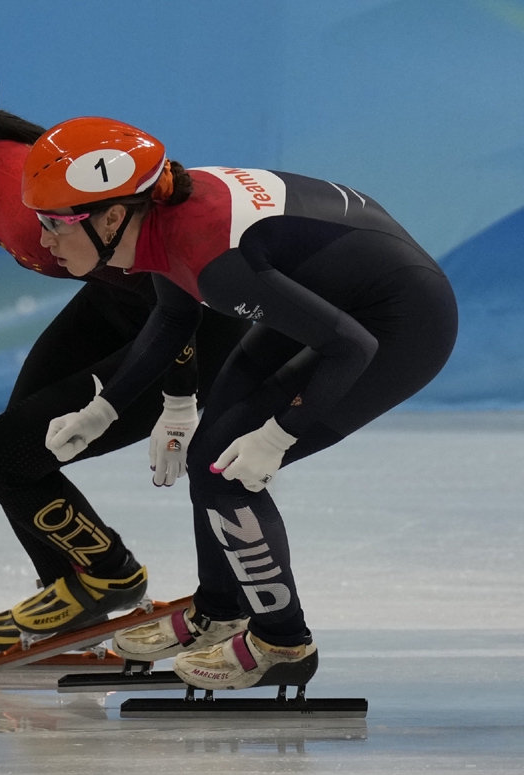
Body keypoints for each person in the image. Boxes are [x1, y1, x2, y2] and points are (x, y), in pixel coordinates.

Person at [24, 116, 457, 689]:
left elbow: (351, 347)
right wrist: (103, 410)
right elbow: (173, 315)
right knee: (212, 453)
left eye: (55, 223)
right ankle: (220, 610)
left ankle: (284, 642)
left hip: (400, 326)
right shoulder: (158, 219)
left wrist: (278, 436)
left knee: (227, 473)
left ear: (110, 217)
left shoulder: (212, 258)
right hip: (333, 295)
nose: (44, 240)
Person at [0, 43, 250, 653]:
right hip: (127, 301)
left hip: (193, 322)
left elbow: (175, 293)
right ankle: (71, 589)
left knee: (7, 453)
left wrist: (179, 397)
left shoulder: (14, 188)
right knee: (17, 447)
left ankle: (109, 576)